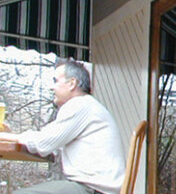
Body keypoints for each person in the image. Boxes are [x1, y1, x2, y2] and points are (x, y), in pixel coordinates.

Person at [0, 58, 125, 194]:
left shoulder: (80, 105)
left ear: (72, 83)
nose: (51, 87)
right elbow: (48, 140)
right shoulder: (87, 106)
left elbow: (42, 142)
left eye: (56, 81)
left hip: (93, 190)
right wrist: (14, 137)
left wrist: (7, 136)